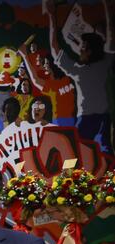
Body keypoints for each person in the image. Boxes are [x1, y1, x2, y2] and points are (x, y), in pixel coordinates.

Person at [45, 0, 115, 151]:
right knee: (104, 153)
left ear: (89, 51)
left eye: (82, 48)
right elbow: (111, 38)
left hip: (87, 119)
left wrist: (52, 16)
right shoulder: (103, 65)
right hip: (103, 118)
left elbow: (54, 48)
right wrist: (108, 8)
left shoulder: (79, 71)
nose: (80, 50)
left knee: (79, 153)